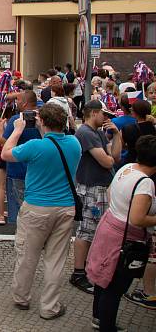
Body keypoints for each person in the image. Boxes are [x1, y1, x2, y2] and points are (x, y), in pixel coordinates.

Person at [1, 103, 80, 320]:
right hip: (65, 207)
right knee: (56, 259)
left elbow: (6, 154)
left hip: (37, 207)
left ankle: (21, 297)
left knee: (27, 254)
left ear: (41, 121)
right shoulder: (74, 143)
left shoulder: (36, 145)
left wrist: (18, 129)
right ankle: (50, 306)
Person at [87, 135, 156, 330]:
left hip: (109, 226)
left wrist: (118, 209)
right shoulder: (145, 182)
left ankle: (98, 318)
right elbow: (137, 218)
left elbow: (110, 192)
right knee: (114, 287)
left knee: (103, 279)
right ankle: (106, 326)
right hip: (124, 238)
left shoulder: (127, 168)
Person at [71, 99, 122, 294]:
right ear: (93, 113)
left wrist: (117, 134)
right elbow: (107, 162)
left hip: (100, 186)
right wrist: (110, 157)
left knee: (95, 228)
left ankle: (85, 267)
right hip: (92, 187)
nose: (106, 118)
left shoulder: (98, 132)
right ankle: (78, 272)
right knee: (87, 229)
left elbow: (115, 156)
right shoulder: (85, 133)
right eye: (104, 114)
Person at [1, 91, 40, 224]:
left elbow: (4, 142)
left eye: (17, 100)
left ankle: (22, 240)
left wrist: (0, 128)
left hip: (17, 170)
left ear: (24, 103)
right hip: (39, 171)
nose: (16, 102)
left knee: (20, 212)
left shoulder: (16, 120)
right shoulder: (43, 119)